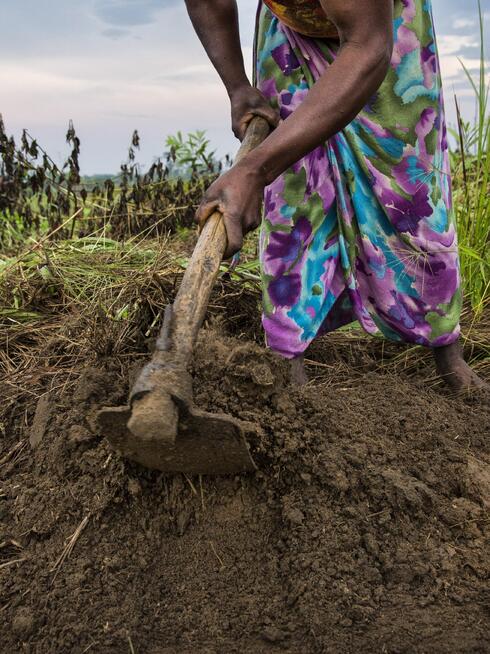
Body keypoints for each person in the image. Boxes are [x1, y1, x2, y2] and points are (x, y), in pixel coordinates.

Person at [184, 0, 485, 391]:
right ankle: (287, 367)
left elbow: (368, 47)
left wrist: (253, 169)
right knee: (294, 199)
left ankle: (447, 353)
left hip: (382, 37)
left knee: (410, 192)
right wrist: (237, 86)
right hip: (292, 34)